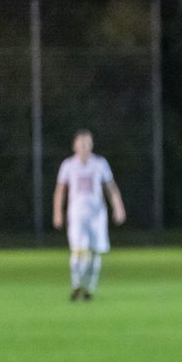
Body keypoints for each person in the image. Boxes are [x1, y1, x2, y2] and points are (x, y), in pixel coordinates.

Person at [52, 129, 126, 301]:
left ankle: (89, 288)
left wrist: (118, 207)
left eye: (88, 143)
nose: (85, 146)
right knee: (79, 250)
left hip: (97, 215)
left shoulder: (100, 164)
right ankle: (76, 284)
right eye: (82, 143)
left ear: (91, 145)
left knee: (94, 252)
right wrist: (57, 212)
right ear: (75, 145)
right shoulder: (68, 165)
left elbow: (110, 187)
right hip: (77, 215)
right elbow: (60, 191)